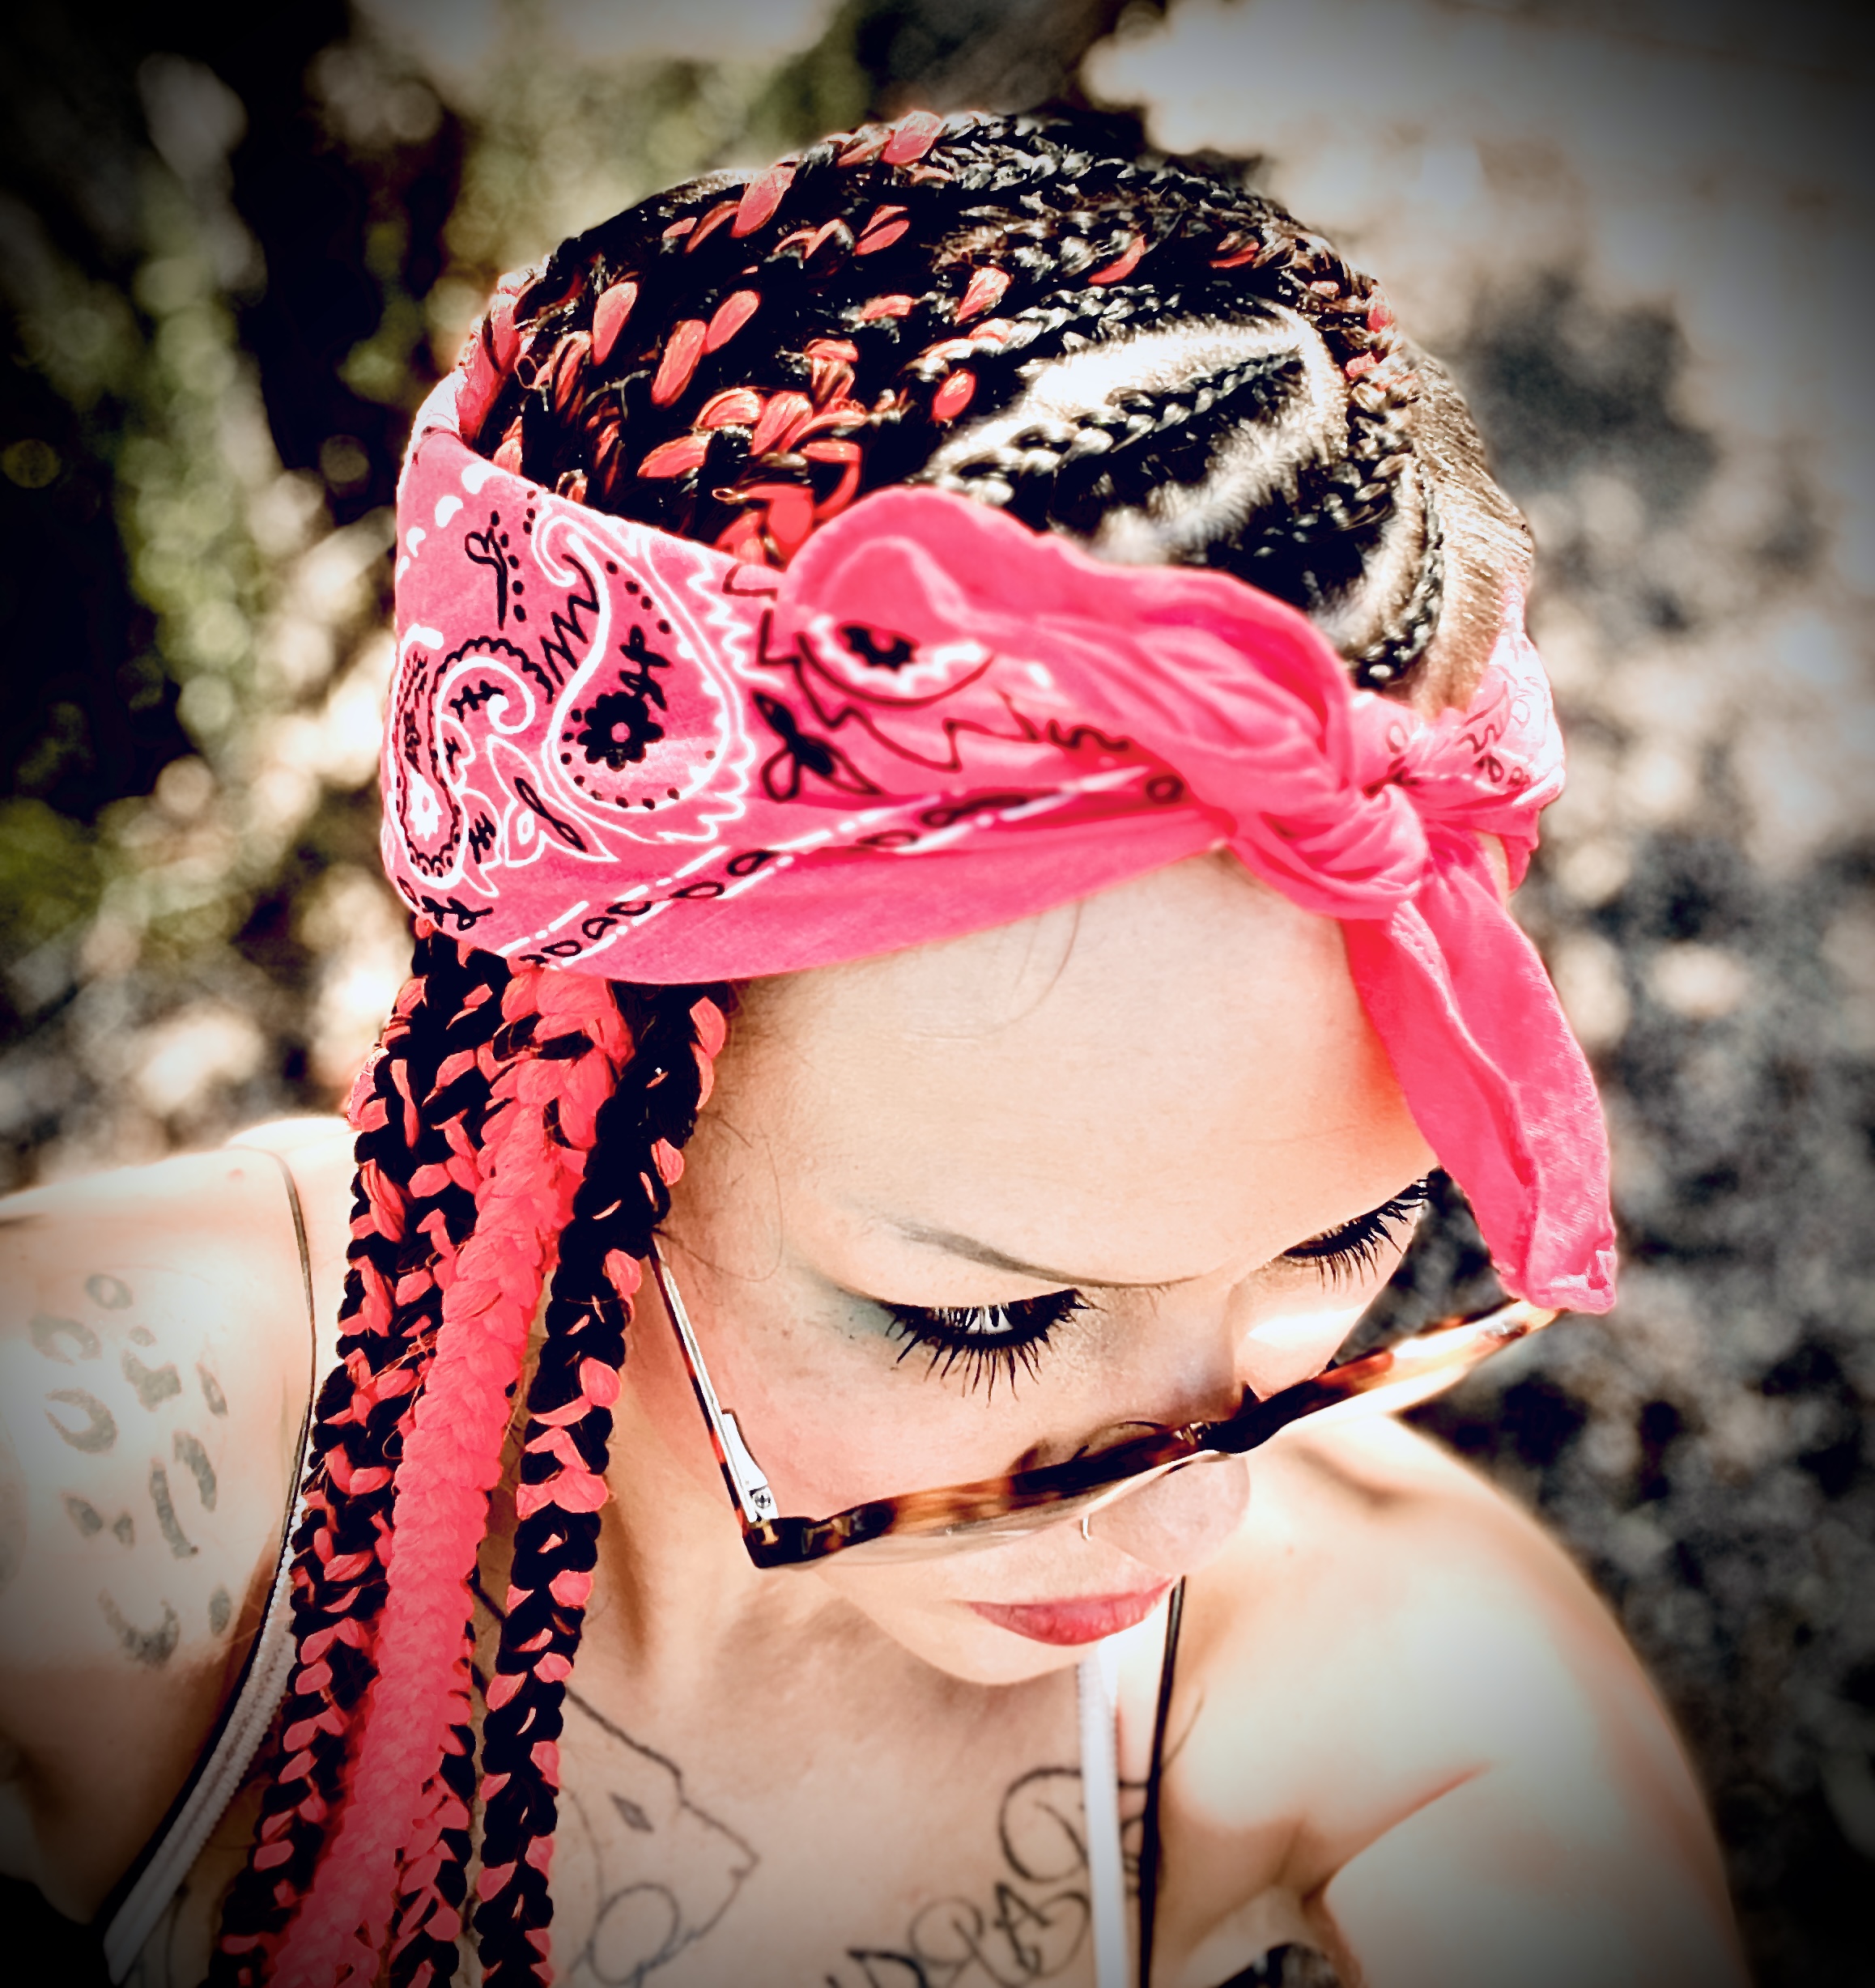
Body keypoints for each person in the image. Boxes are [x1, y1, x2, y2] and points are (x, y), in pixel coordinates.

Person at [0, 111, 1745, 1988]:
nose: (1202, 1503)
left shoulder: (1402, 1704)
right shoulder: (87, 1503)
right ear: (579, 1111)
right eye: (983, 1319)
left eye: (1344, 1240)